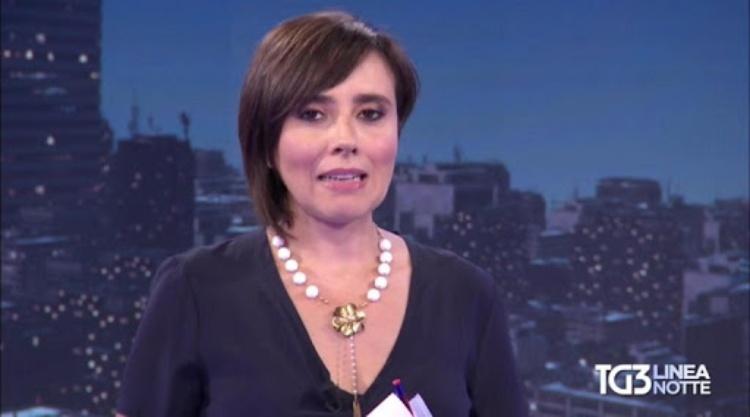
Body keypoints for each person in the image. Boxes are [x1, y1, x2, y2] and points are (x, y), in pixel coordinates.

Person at [115, 10, 527, 417]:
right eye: (312, 114)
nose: (345, 139)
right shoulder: (194, 290)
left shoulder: (466, 295)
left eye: (370, 114)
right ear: (266, 142)